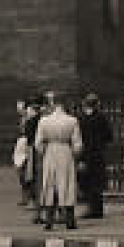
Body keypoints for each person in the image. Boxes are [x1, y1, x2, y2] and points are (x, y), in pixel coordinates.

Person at [33, 96, 82, 230]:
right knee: (67, 184)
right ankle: (70, 221)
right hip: (66, 152)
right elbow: (77, 144)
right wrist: (75, 154)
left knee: (50, 184)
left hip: (50, 152)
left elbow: (38, 143)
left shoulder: (44, 121)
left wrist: (43, 152)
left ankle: (49, 221)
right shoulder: (72, 121)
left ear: (52, 104)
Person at [76, 92, 114, 219]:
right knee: (97, 183)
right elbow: (109, 136)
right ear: (97, 104)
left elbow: (78, 139)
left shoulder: (80, 119)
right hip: (98, 154)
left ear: (84, 104)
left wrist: (80, 157)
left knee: (87, 183)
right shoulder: (102, 117)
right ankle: (97, 209)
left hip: (85, 154)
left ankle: (92, 209)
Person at [13, 100, 38, 207]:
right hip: (21, 144)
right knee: (20, 171)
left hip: (28, 145)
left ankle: (31, 198)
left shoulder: (32, 119)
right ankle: (26, 196)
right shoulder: (24, 119)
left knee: (28, 172)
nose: (19, 109)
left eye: (21, 106)